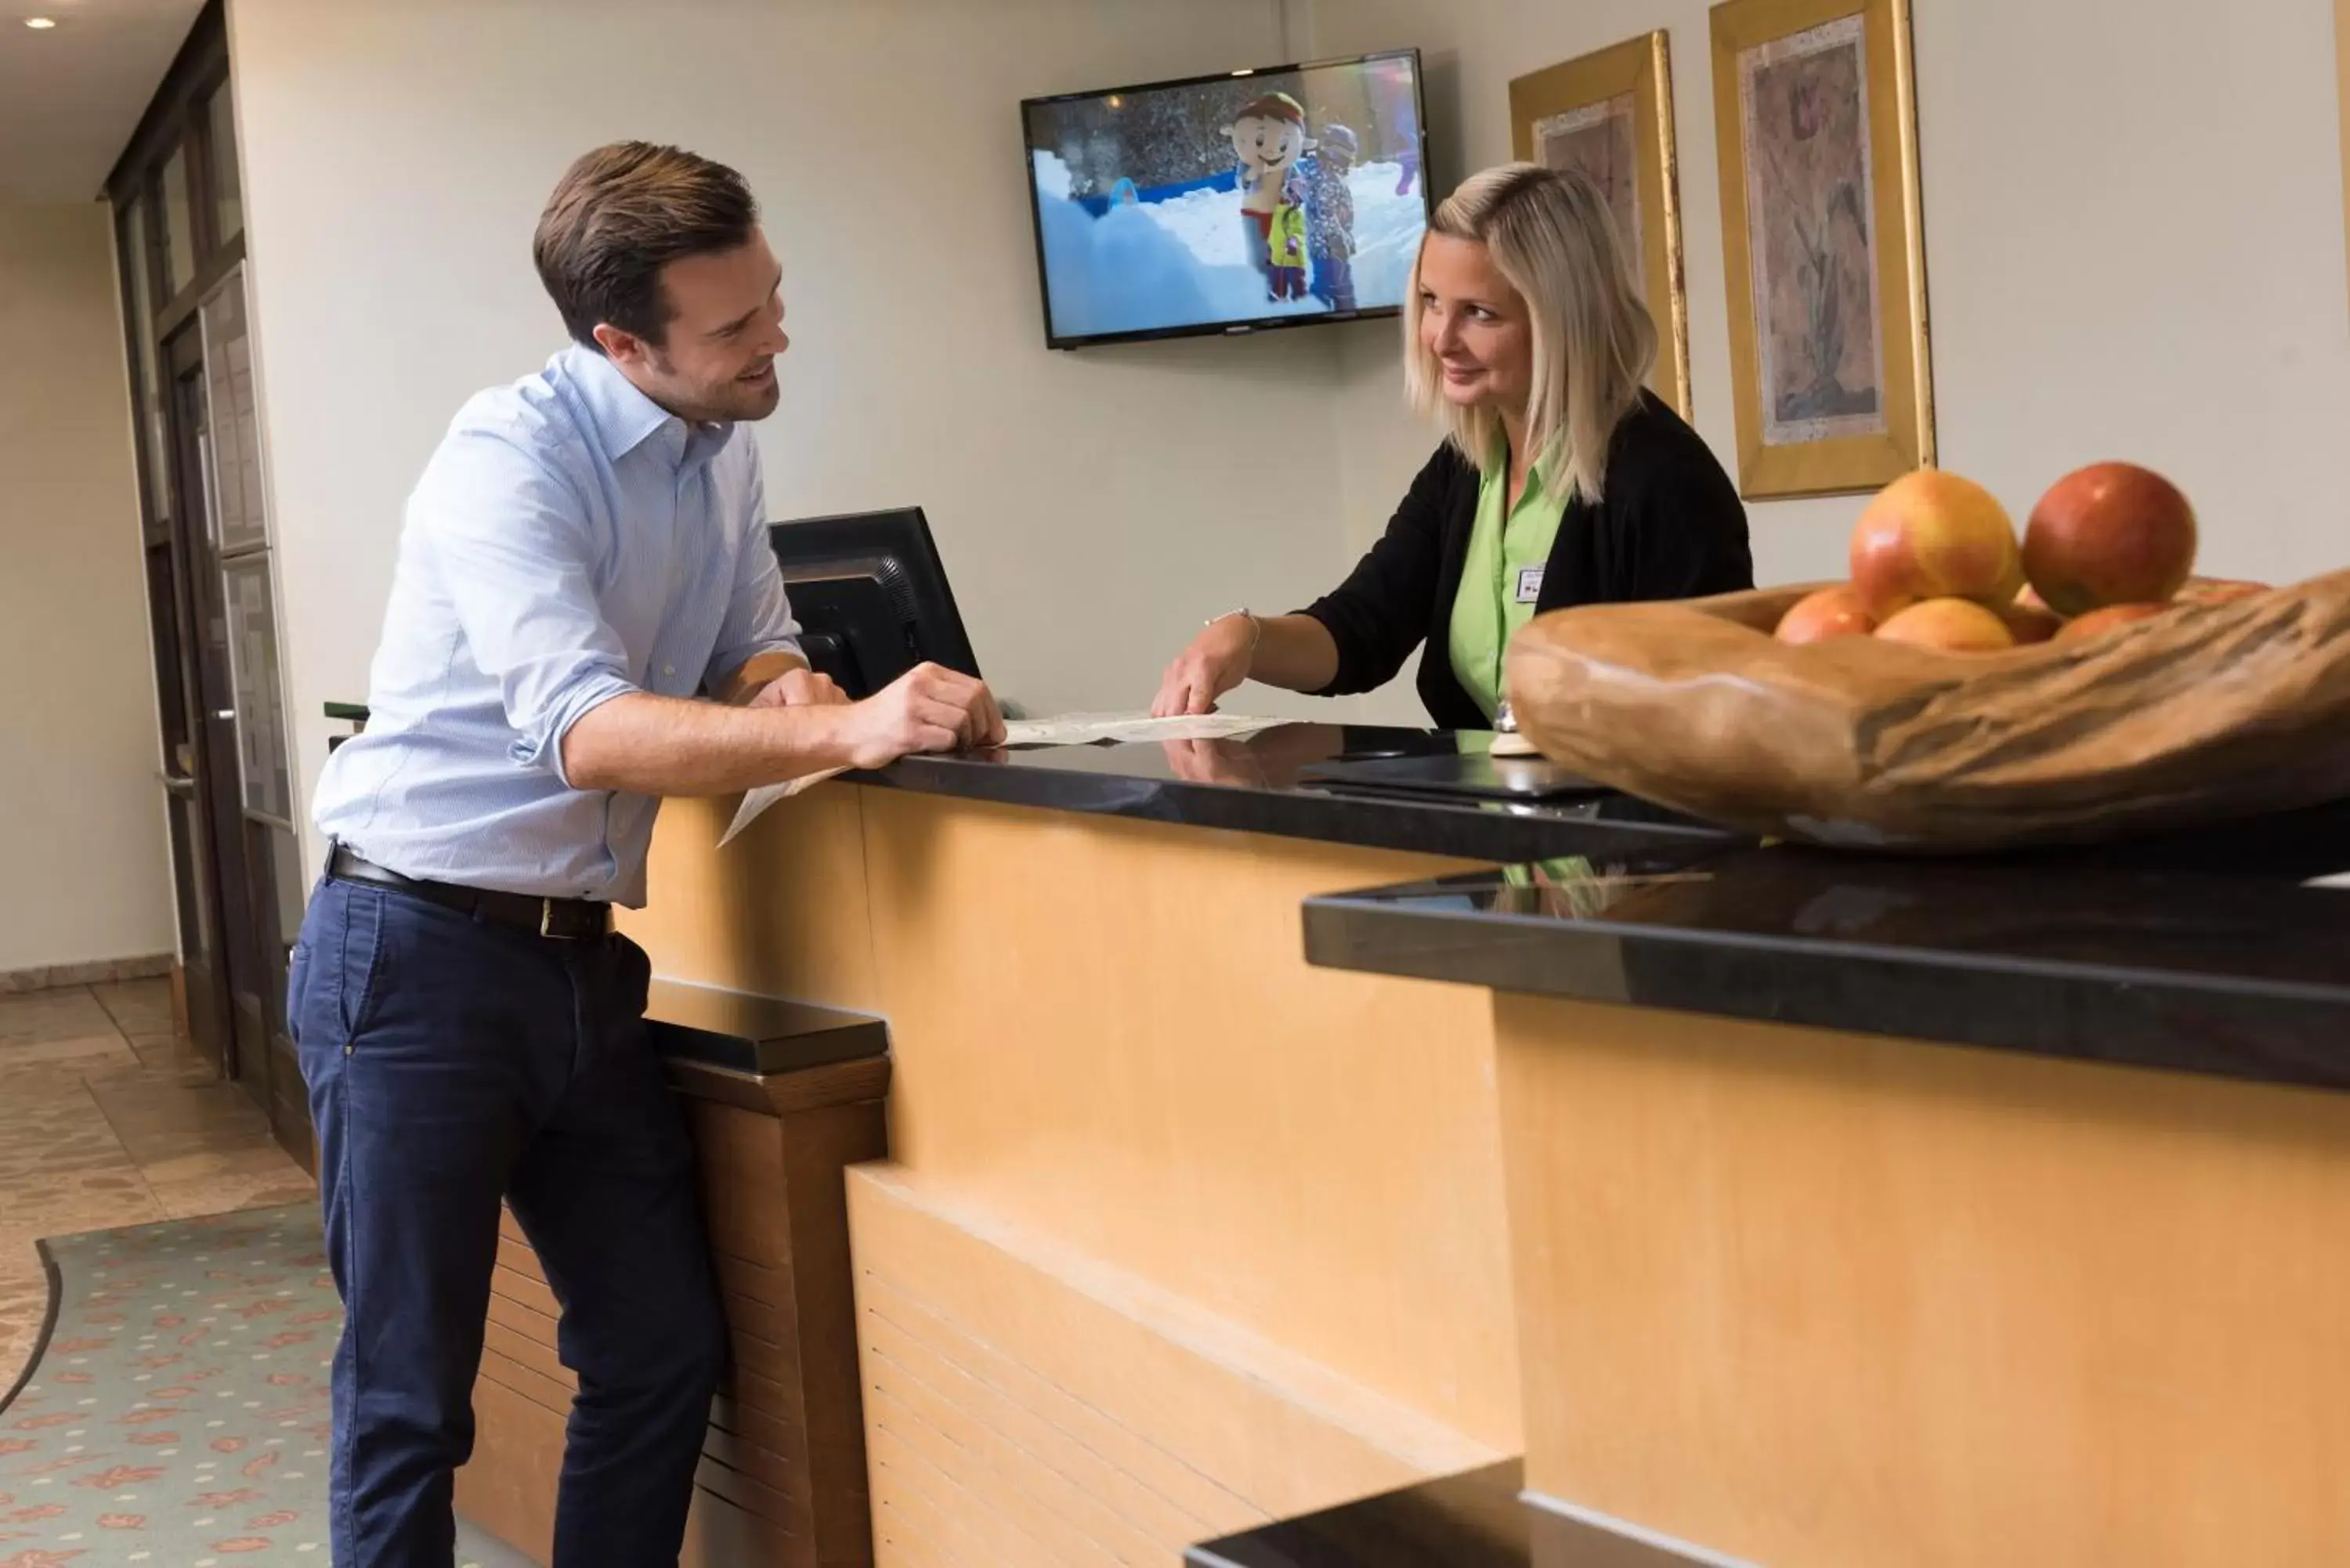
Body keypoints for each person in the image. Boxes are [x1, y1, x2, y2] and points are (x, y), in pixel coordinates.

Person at [292, 142, 1003, 1568]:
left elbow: (754, 645)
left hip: (582, 969)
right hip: (415, 962)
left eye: (774, 300)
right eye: (736, 327)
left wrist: (795, 690)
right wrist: (839, 731)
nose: (775, 340)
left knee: (660, 1352)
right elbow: (585, 733)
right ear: (623, 342)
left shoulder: (720, 447)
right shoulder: (510, 460)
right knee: (407, 1406)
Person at [1153, 163, 1751, 727]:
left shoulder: (1666, 480)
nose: (1440, 338)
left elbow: (1706, 715)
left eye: (1480, 314)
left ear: (1562, 320)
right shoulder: (1465, 468)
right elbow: (1361, 631)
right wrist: (1244, 637)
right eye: (1432, 302)